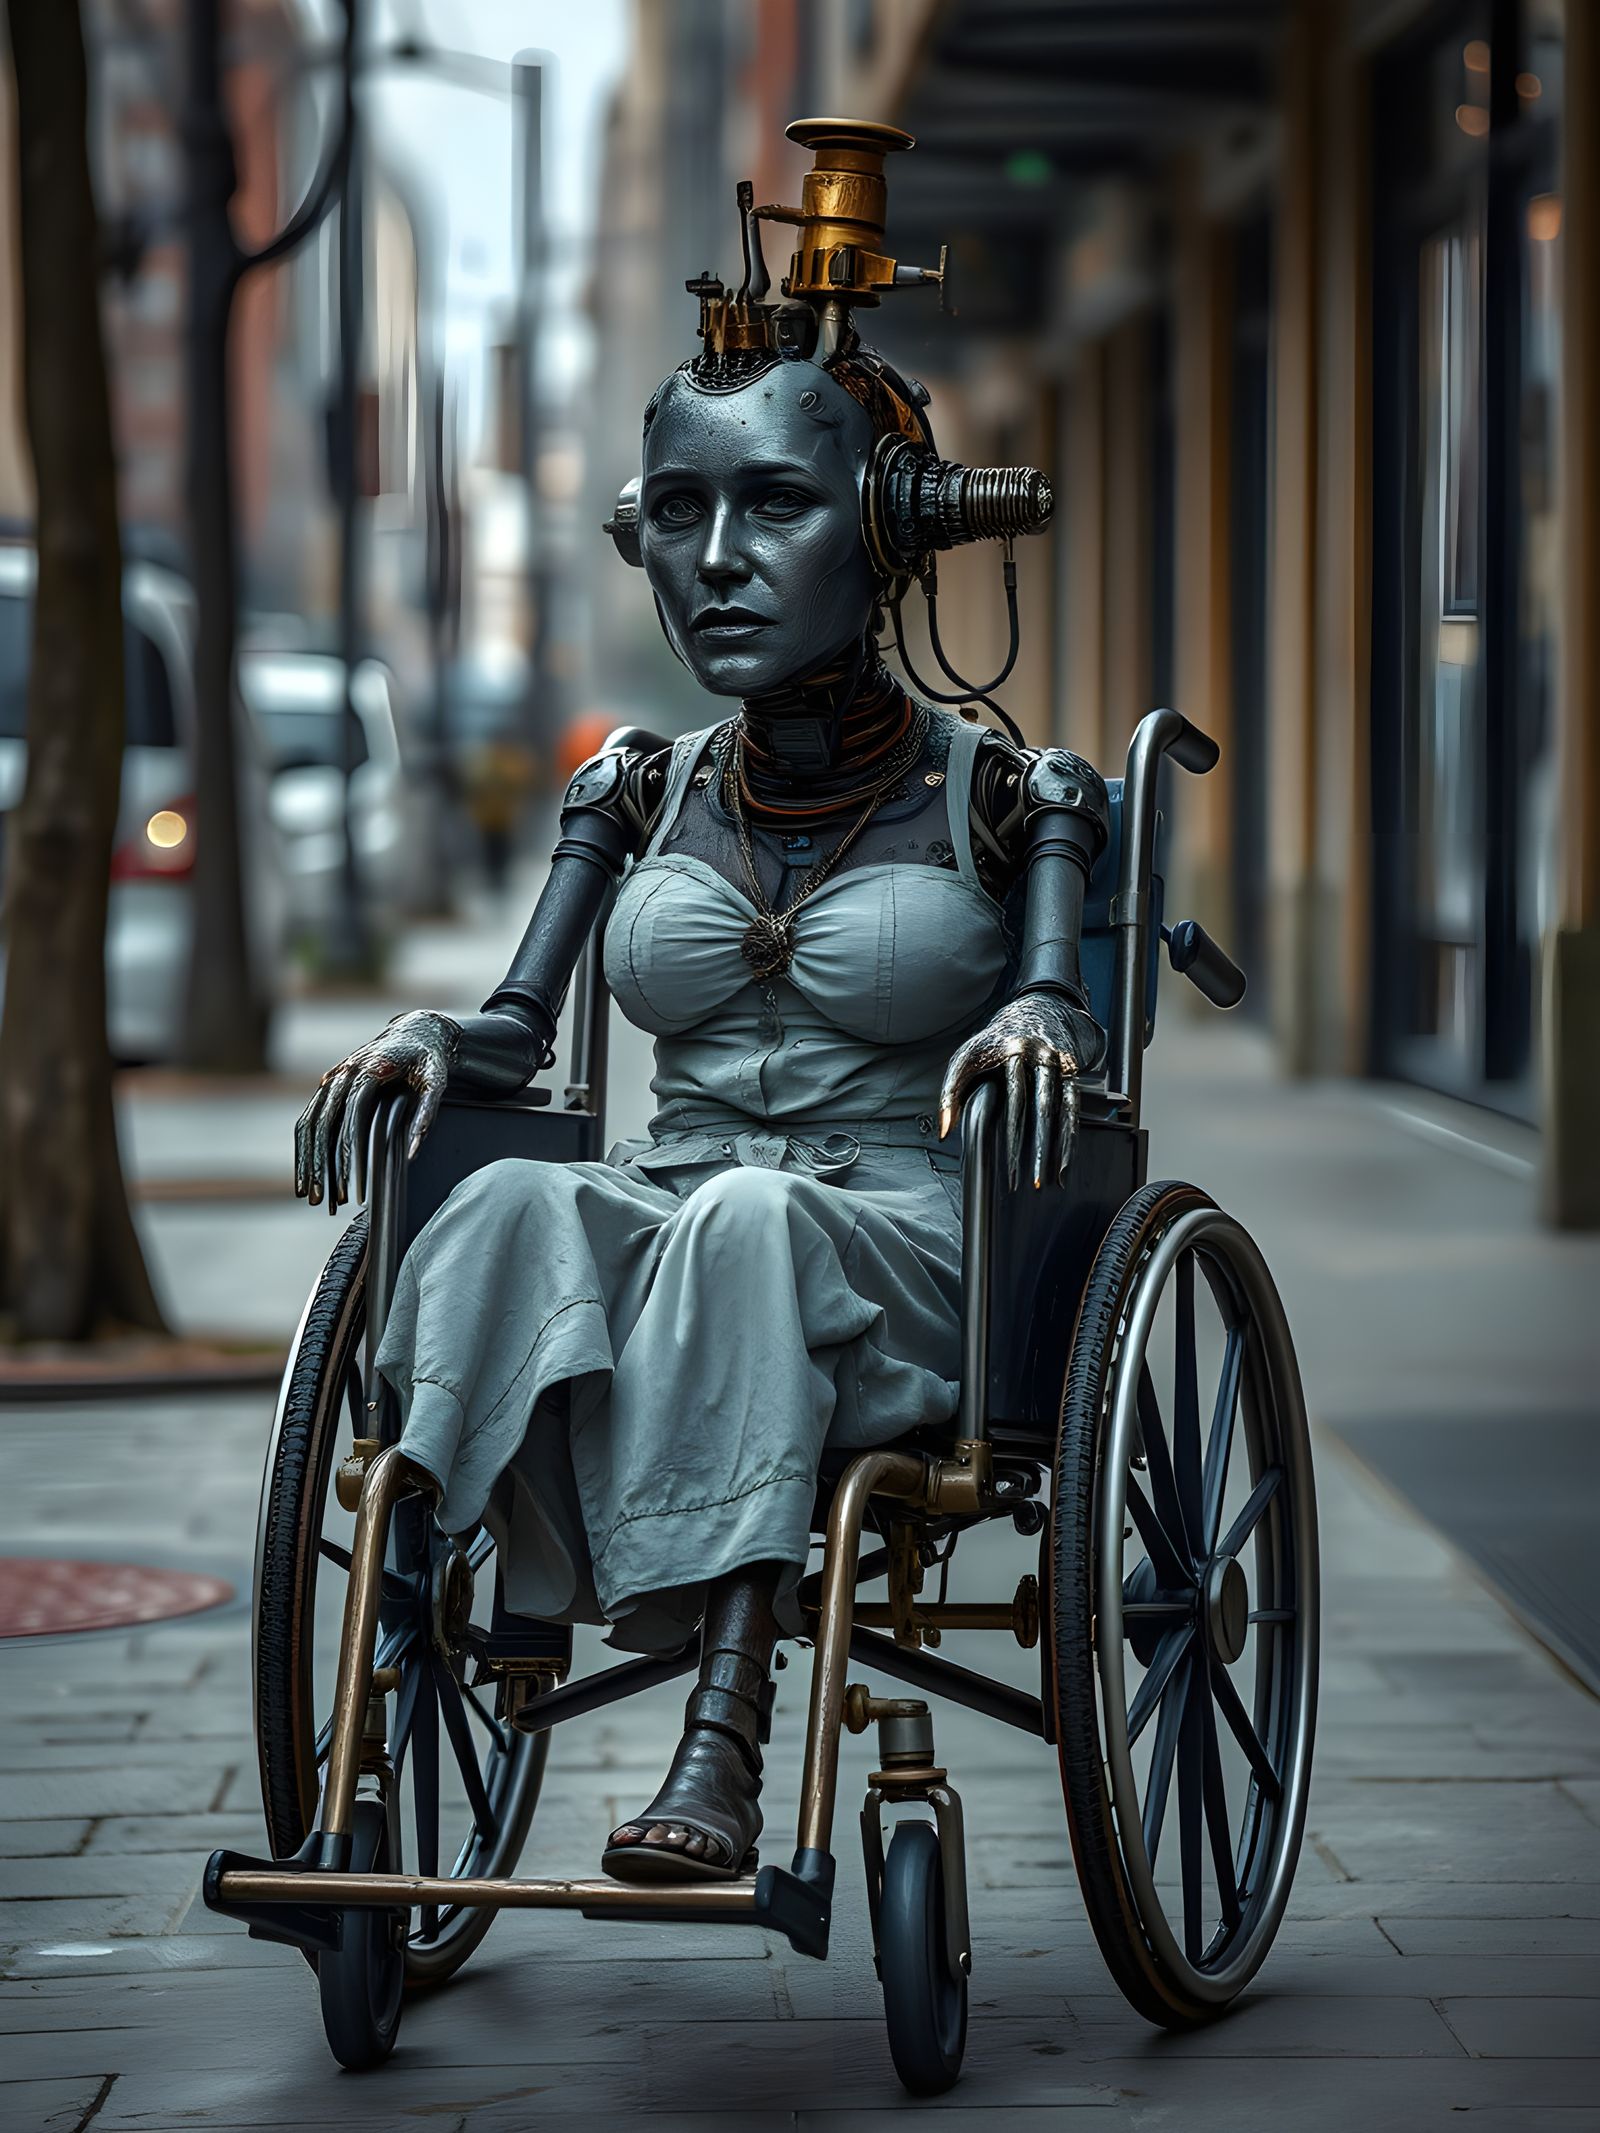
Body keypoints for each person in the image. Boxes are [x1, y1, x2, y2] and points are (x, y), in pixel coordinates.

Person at [294, 121, 1109, 1888]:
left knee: (745, 1217)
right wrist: (440, 1036)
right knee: (508, 1197)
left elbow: (1063, 1004)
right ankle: (457, 1608)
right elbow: (521, 1025)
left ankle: (724, 1727)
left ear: (887, 526)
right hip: (674, 1202)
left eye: (777, 505)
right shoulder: (640, 789)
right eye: (681, 511)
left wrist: (1040, 1010)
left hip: (904, 1243)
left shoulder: (1006, 794)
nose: (719, 558)